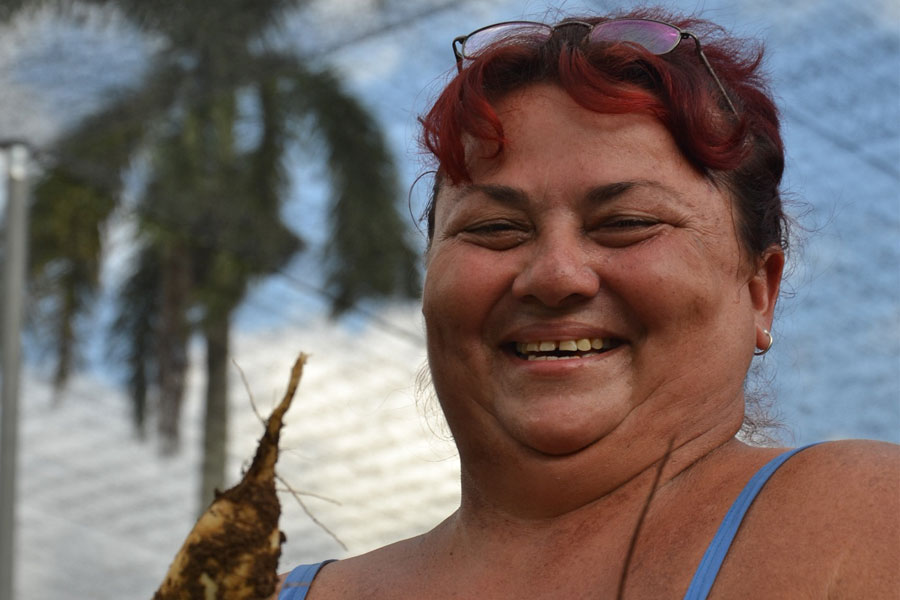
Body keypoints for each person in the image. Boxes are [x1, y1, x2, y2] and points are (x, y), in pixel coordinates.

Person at [274, 8, 899, 599]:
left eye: (626, 223)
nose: (554, 276)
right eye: (494, 229)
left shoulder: (871, 521)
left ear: (760, 290)